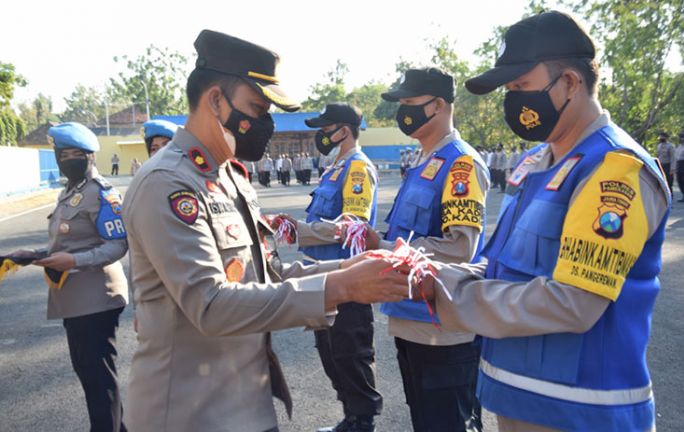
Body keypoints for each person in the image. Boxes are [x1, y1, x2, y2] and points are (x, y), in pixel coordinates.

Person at [121, 30, 408, 432]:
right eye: (257, 108)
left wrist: (350, 269)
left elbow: (266, 279)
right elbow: (211, 305)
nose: (266, 124)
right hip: (188, 414)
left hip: (245, 404)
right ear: (216, 100)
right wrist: (341, 288)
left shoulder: (231, 178)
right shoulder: (167, 183)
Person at [422, 11, 671, 432]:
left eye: (521, 87)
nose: (512, 101)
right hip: (520, 400)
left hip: (581, 415)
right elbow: (503, 265)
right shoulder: (537, 163)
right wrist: (437, 275)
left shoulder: (613, 170)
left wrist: (452, 299)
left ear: (571, 83)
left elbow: (574, 303)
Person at [361, 67, 489, 432]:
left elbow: (460, 247)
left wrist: (384, 246)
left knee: (448, 423)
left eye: (409, 103)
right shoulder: (422, 161)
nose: (403, 112)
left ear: (437, 105)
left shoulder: (460, 163)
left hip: (442, 329)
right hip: (411, 320)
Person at [13, 122, 129, 431]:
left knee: (98, 379)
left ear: (91, 156)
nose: (69, 159)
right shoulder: (70, 192)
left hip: (97, 298)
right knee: (92, 376)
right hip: (75, 299)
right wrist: (31, 254)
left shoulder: (102, 194)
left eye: (77, 153)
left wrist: (74, 260)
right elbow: (65, 242)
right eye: (63, 154)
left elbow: (118, 245)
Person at [278, 103, 382, 432]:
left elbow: (352, 225)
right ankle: (350, 415)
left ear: (344, 130)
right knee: (330, 351)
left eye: (326, 129)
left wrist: (300, 231)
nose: (321, 135)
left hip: (348, 276)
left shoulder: (357, 169)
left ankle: (363, 421)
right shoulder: (334, 167)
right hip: (322, 276)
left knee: (351, 351)